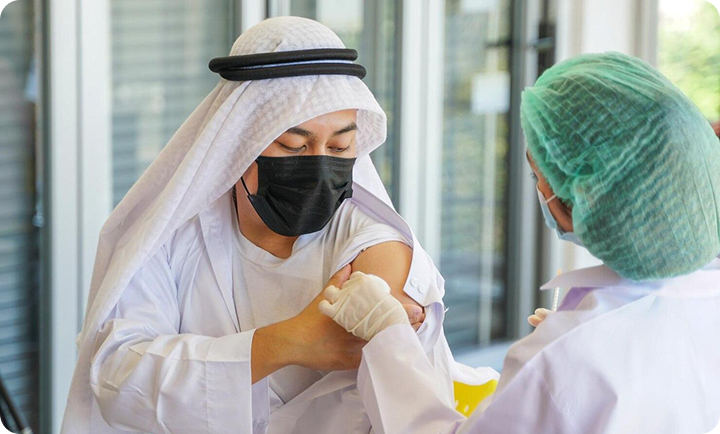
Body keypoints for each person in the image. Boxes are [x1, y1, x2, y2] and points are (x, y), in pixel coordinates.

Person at [60, 17, 497, 434]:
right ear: (237, 144)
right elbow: (118, 374)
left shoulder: (372, 241)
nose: (320, 166)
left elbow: (391, 396)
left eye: (340, 146)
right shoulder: (175, 232)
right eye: (293, 146)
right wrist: (283, 343)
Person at [321, 52, 720, 434]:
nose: (541, 191)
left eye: (539, 175)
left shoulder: (569, 357)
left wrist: (386, 335)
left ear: (579, 197)